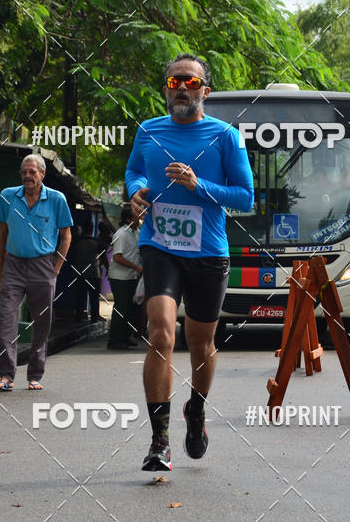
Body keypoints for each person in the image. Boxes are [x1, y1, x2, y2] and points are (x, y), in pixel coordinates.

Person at [126, 53, 254, 471]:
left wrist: (199, 185)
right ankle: (159, 440)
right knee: (160, 333)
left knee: (201, 343)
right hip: (160, 245)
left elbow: (245, 198)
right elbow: (134, 173)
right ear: (165, 87)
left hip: (208, 253)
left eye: (192, 82)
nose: (182, 88)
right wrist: (138, 191)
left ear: (205, 91)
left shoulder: (225, 136)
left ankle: (195, 411)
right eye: (174, 81)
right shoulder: (147, 131)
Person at [0, 153, 72, 390]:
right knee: (6, 319)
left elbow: (66, 236)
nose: (28, 176)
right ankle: (6, 376)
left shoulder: (57, 199)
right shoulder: (7, 196)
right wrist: (1, 270)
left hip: (43, 266)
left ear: (42, 174)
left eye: (32, 172)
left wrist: (55, 269)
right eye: (24, 172)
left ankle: (34, 374)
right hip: (13, 265)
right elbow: (2, 235)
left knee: (42, 323)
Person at [107, 208, 142, 350]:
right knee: (121, 308)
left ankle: (125, 337)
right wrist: (136, 267)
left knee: (131, 309)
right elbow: (117, 257)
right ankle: (114, 340)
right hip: (120, 278)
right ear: (128, 219)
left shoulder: (136, 232)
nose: (139, 219)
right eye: (136, 216)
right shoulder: (121, 234)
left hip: (132, 277)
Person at [71, 222, 102, 321]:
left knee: (80, 296)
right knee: (94, 297)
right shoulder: (96, 242)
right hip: (94, 273)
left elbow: (71, 257)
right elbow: (103, 256)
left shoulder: (77, 242)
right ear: (92, 230)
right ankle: (94, 317)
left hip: (79, 273)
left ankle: (78, 316)